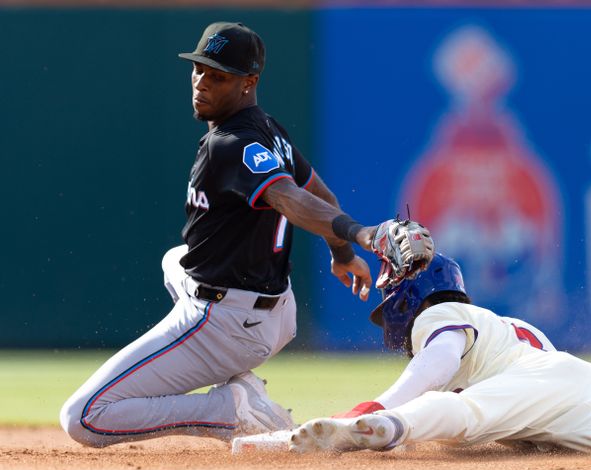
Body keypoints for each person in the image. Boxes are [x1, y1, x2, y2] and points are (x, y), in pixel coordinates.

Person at [60, 22, 432, 448]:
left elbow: (289, 198)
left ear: (248, 83)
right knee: (174, 260)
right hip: (275, 314)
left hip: (226, 322)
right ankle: (237, 379)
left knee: (83, 417)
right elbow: (321, 192)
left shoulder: (231, 144)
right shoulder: (269, 130)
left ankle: (226, 410)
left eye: (218, 76)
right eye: (198, 69)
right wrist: (341, 253)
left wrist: (360, 234)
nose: (202, 83)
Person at [287, 254, 591, 462]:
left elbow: (436, 366)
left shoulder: (443, 316)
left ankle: (383, 429)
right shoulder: (506, 328)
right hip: (579, 382)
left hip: (532, 383)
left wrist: (380, 410)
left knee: (469, 414)